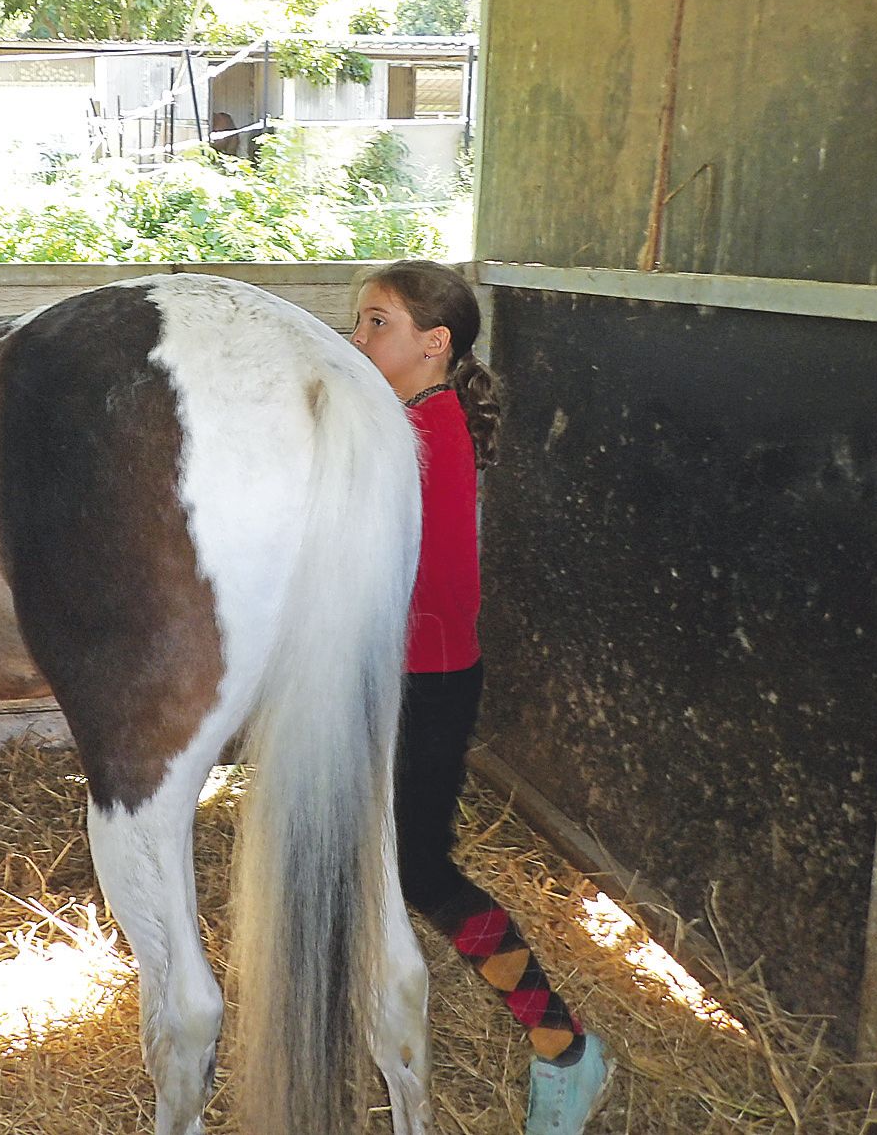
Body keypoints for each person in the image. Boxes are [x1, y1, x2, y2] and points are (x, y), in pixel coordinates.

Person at [351, 259, 614, 1135]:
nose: (359, 338)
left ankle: (566, 1047)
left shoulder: (430, 433)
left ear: (435, 344)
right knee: (378, 860)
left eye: (377, 322)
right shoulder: (413, 419)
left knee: (421, 866)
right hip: (402, 672)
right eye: (360, 320)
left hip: (426, 680)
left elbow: (415, 578)